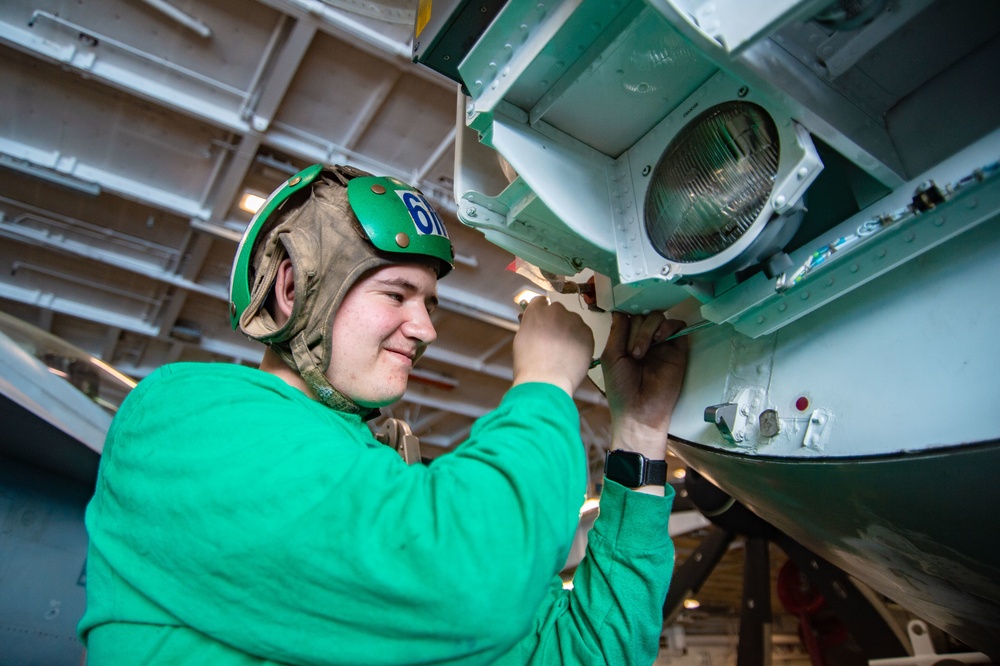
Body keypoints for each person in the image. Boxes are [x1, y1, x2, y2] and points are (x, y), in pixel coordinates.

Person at [78, 164, 689, 665]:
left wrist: (638, 429)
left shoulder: (378, 479)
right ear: (293, 289)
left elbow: (587, 652)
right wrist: (545, 382)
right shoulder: (181, 418)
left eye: (429, 304)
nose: (425, 328)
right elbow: (465, 580)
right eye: (396, 294)